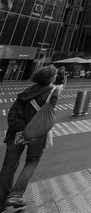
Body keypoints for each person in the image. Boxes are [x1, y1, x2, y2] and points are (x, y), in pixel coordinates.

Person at [0, 65, 60, 209]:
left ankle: (1, 200)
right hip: (36, 133)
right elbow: (50, 111)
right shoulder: (52, 92)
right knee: (32, 161)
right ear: (50, 78)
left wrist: (20, 127)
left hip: (17, 132)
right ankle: (16, 195)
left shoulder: (26, 91)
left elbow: (13, 112)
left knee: (9, 165)